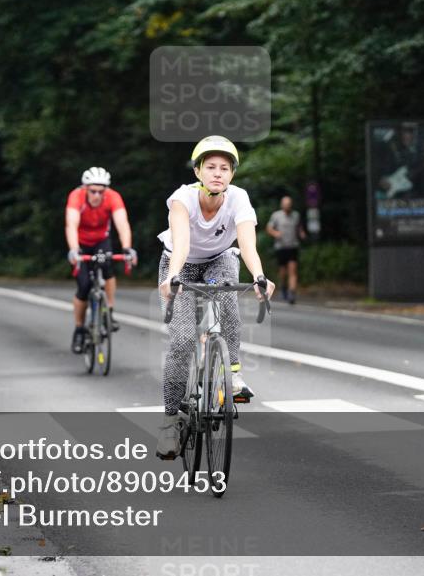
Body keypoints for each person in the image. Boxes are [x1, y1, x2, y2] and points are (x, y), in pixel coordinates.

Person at [156, 136, 275, 459]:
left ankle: (231, 374)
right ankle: (170, 421)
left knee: (228, 301)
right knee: (182, 341)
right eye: (210, 167)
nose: (218, 173)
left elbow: (248, 244)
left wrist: (260, 277)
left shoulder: (239, 199)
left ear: (232, 174)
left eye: (225, 168)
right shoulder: (182, 199)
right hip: (179, 264)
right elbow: (181, 242)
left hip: (220, 259)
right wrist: (173, 277)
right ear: (198, 171)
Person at [65, 167, 137, 354]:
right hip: (81, 242)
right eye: (93, 191)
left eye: (100, 191)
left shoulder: (113, 197)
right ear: (85, 189)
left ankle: (109, 312)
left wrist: (127, 248)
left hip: (101, 240)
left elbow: (122, 224)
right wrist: (74, 250)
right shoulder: (76, 197)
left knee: (108, 267)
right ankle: (79, 329)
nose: (96, 195)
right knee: (84, 286)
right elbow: (71, 225)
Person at [266, 196, 306, 304]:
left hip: (293, 246)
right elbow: (269, 228)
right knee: (283, 271)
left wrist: (302, 233)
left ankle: (291, 292)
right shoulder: (276, 216)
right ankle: (283, 287)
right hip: (281, 247)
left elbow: (299, 227)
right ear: (282, 205)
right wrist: (275, 233)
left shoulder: (296, 215)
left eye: (289, 204)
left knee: (293, 270)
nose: (287, 206)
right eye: (285, 204)